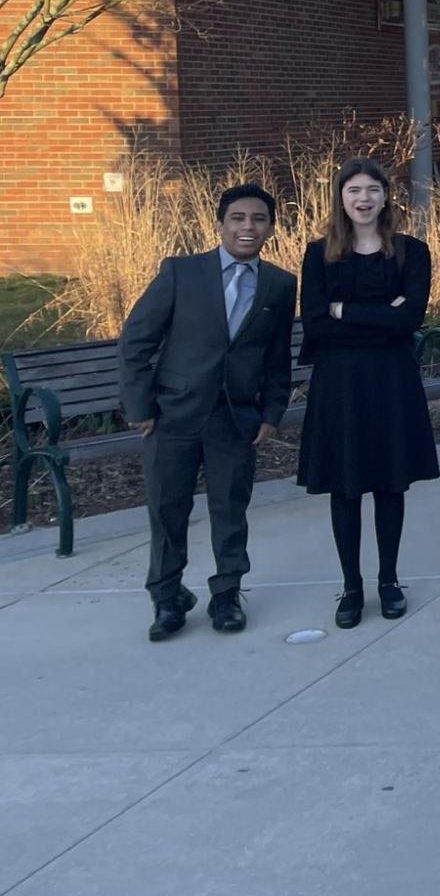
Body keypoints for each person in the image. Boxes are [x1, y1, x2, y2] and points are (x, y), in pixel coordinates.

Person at [119, 183, 297, 642]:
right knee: (167, 509)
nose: (248, 227)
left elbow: (278, 358)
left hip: (235, 419)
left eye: (258, 219)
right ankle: (167, 597)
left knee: (230, 508)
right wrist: (140, 406)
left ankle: (226, 594)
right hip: (172, 414)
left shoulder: (279, 284)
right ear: (220, 224)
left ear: (271, 227)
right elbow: (137, 340)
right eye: (238, 218)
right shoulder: (182, 273)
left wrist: (272, 412)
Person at [297, 158, 440, 629]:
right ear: (341, 198)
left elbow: (410, 319)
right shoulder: (319, 255)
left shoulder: (410, 253)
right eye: (354, 190)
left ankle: (388, 580)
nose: (363, 199)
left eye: (372, 190)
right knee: (345, 485)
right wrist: (380, 312)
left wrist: (345, 311)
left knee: (390, 481)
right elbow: (315, 323)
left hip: (391, 380)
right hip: (338, 384)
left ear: (385, 196)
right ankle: (352, 587)